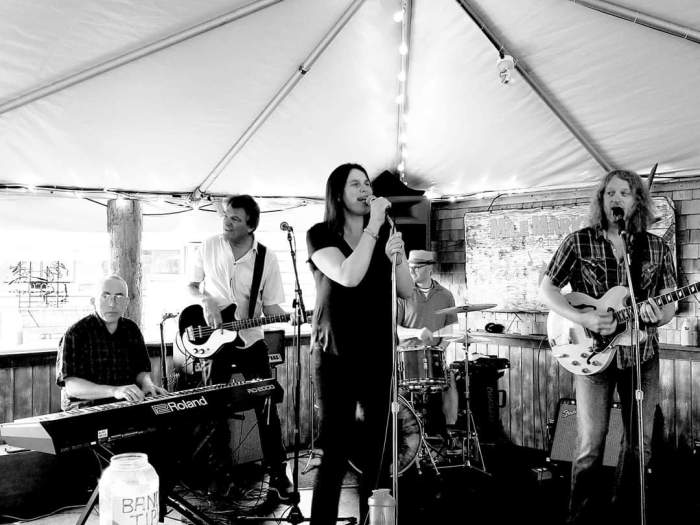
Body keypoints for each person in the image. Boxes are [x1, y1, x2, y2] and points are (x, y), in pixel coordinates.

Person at [539, 170, 676, 524]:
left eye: (625, 193)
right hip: (591, 354)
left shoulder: (656, 247)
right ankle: (580, 517)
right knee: (590, 443)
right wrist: (582, 317)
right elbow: (547, 289)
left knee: (640, 446)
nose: (616, 199)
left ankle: (626, 514)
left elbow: (670, 303)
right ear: (601, 200)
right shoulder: (578, 242)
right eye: (610, 193)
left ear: (637, 201)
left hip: (641, 354)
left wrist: (657, 315)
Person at [306, 163, 413, 525]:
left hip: (377, 350)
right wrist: (373, 228)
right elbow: (348, 275)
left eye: (366, 183)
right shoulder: (321, 234)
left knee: (379, 449)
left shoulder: (382, 234)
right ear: (338, 194)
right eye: (355, 184)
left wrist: (398, 257)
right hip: (335, 352)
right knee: (335, 450)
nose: (365, 189)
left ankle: (376, 520)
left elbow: (407, 290)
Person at [187, 194, 292, 500]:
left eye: (235, 218)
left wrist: (292, 316)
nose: (227, 222)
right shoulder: (208, 246)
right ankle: (219, 477)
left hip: (251, 339)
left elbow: (271, 305)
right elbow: (191, 285)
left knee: (267, 407)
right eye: (226, 215)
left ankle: (278, 475)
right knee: (214, 409)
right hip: (214, 341)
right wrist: (205, 300)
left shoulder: (266, 257)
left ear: (250, 226)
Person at [56, 274, 170, 519]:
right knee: (126, 453)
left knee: (167, 437)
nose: (112, 302)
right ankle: (122, 515)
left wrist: (148, 385)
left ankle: (153, 514)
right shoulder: (76, 333)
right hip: (89, 411)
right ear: (93, 300)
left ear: (127, 302)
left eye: (119, 296)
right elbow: (72, 387)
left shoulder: (131, 330)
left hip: (126, 406)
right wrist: (114, 391)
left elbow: (142, 372)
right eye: (105, 295)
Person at [396, 249, 458, 436]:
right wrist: (417, 333)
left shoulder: (446, 295)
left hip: (434, 359)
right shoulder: (402, 293)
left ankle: (447, 434)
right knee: (402, 406)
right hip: (406, 360)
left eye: (417, 267)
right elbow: (395, 330)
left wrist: (441, 347)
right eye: (410, 267)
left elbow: (450, 330)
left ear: (430, 268)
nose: (412, 270)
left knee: (449, 381)